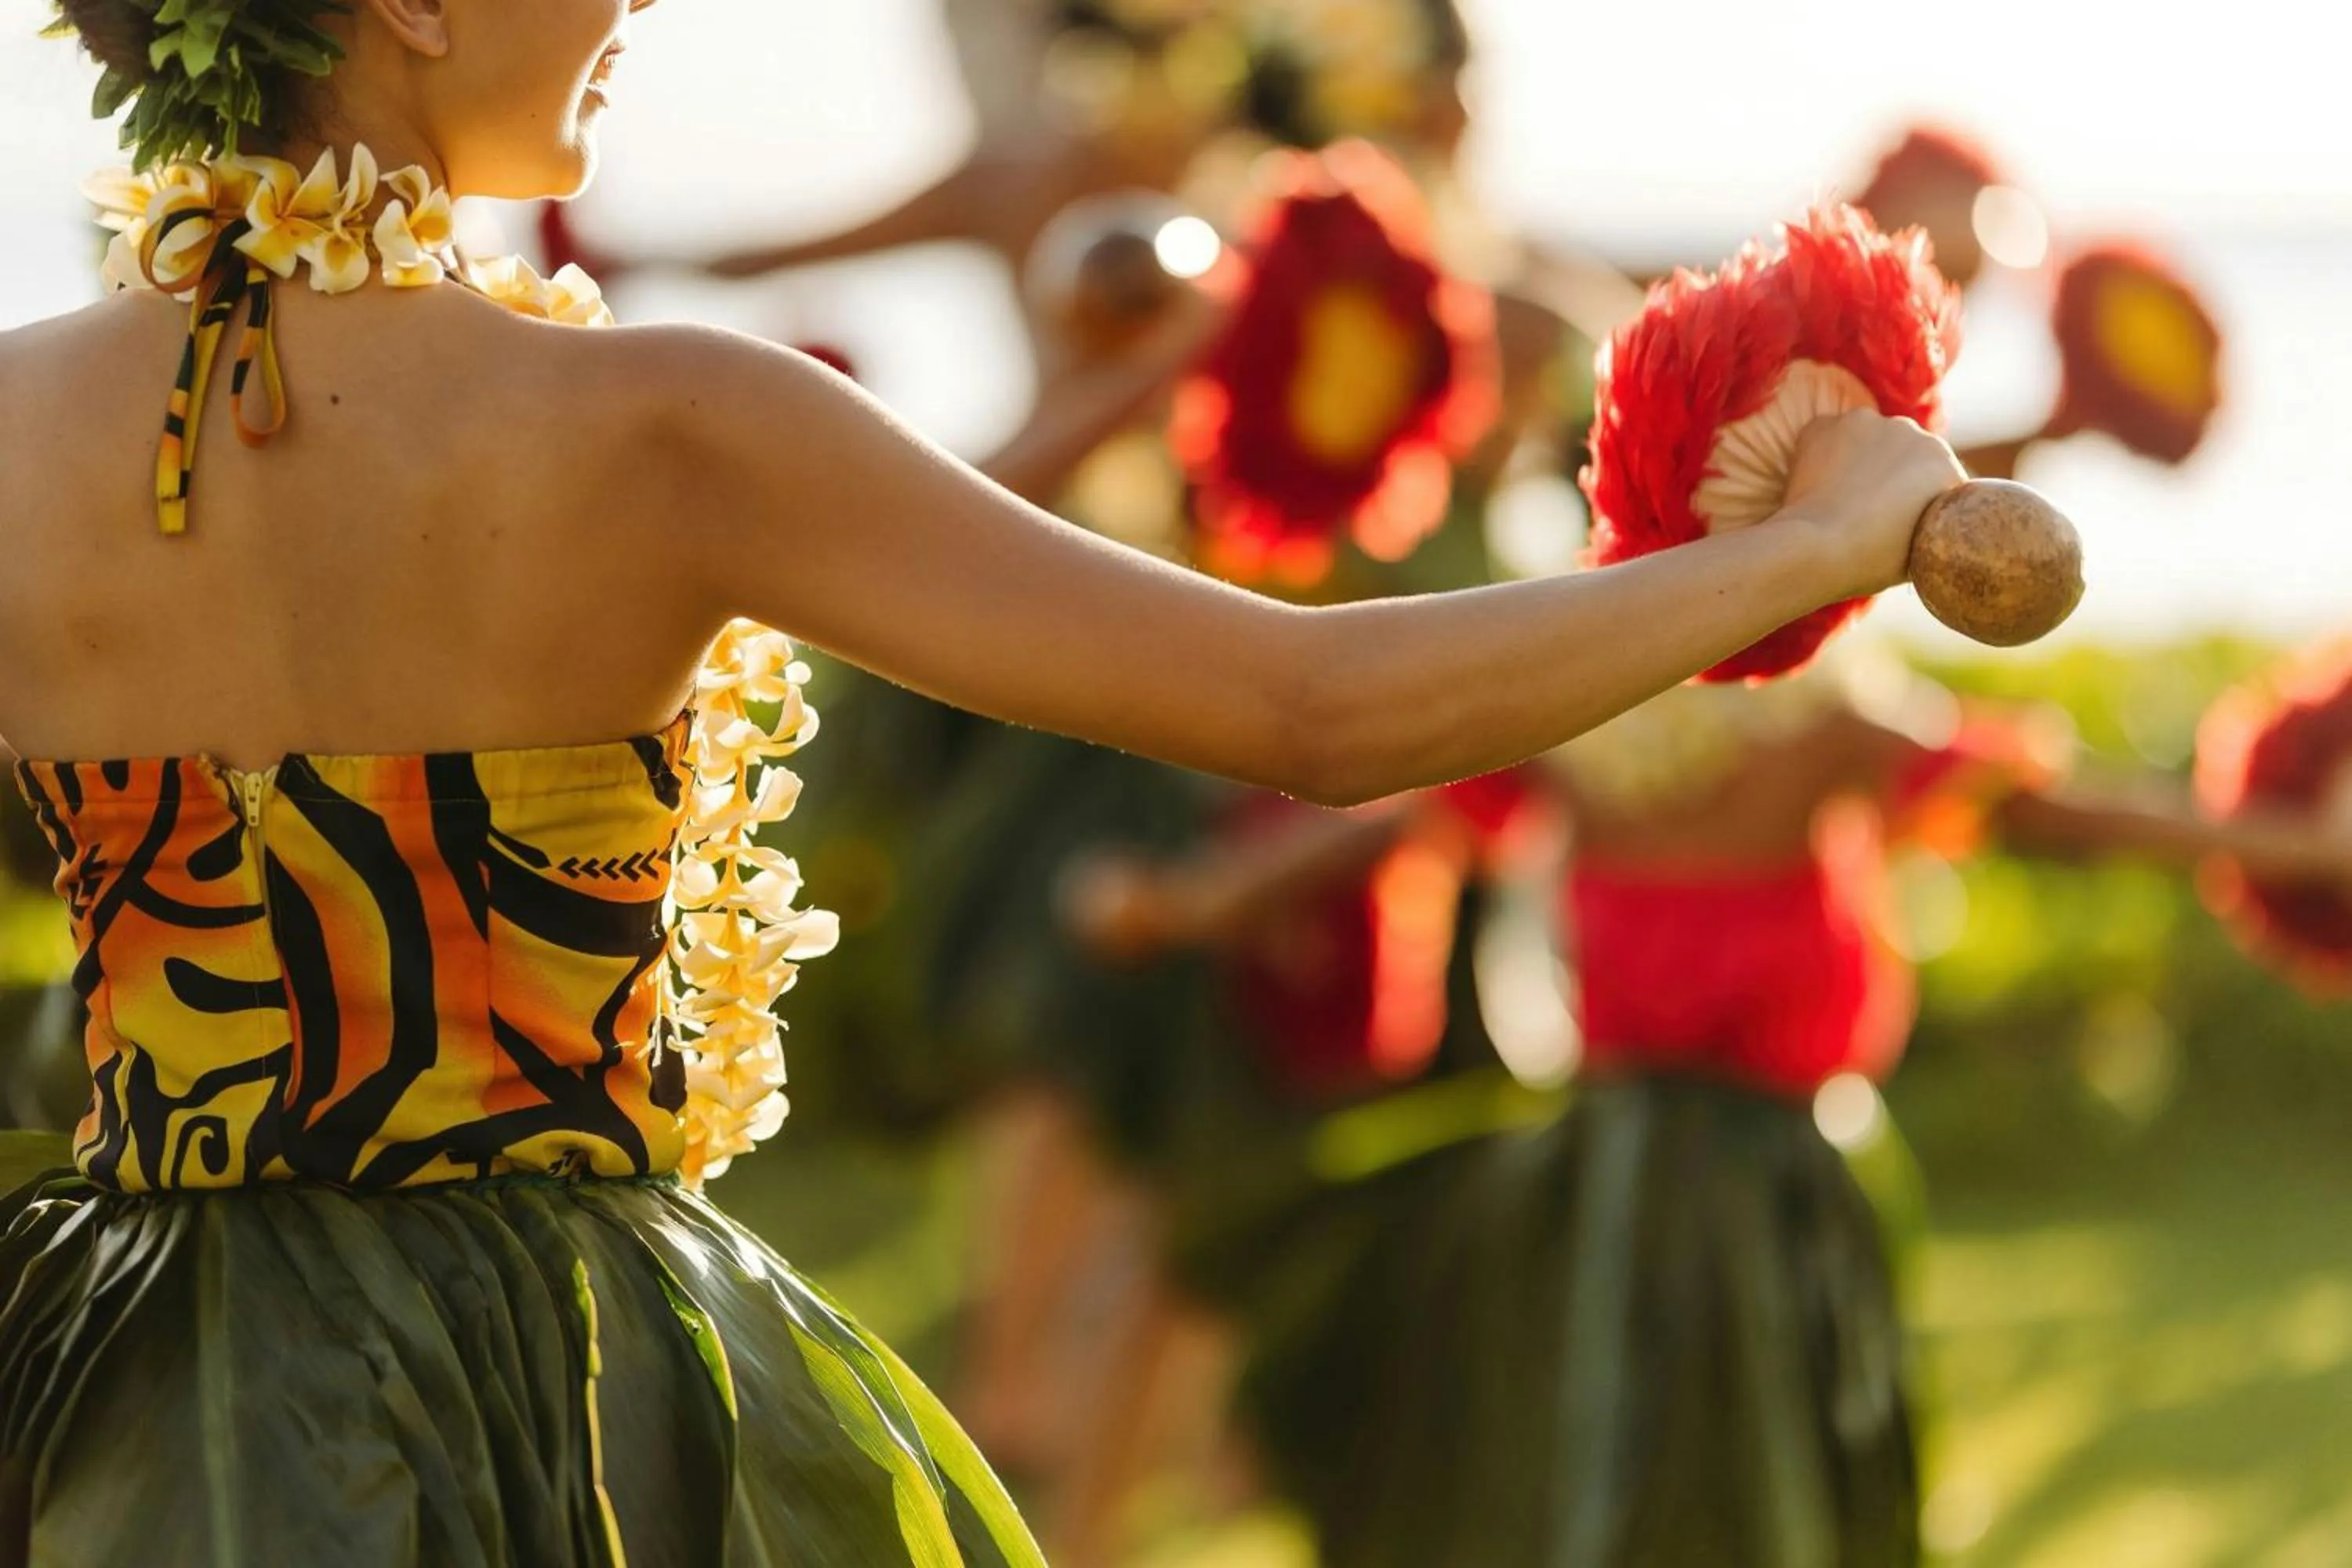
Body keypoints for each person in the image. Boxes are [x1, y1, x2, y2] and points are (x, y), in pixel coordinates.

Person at [0, 0, 1967, 1560]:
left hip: (133, 1398)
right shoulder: (665, 425)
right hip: (574, 1410)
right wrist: (1802, 553)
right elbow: (1313, 707)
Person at [1075, 644, 2352, 1565]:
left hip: (1702, 1168)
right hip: (1661, 1168)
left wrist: (1193, 903)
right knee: (1657, 1466)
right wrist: (1193, 905)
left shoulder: (1635, 715)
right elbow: (2057, 820)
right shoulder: (1781, 721)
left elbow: (1382, 830)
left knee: (1700, 1468)